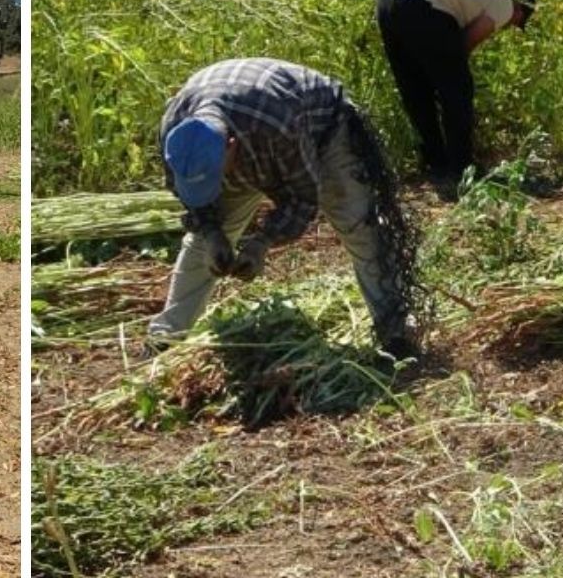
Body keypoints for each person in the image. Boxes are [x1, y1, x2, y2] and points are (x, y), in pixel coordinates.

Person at [148, 58, 417, 358]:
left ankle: (396, 331)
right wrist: (212, 233)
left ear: (231, 146)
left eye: (215, 177)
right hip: (251, 137)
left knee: (358, 225)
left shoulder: (278, 127)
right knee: (201, 245)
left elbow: (302, 198)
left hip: (321, 129)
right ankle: (166, 337)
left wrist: (262, 243)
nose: (217, 186)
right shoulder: (176, 135)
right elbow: (189, 195)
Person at [376, 0, 536, 198]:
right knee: (457, 90)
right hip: (421, 4)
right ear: (520, 9)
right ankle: (462, 168)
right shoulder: (505, 1)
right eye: (516, 22)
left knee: (415, 89)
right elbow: (467, 42)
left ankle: (436, 163)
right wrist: (454, 70)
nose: (509, 24)